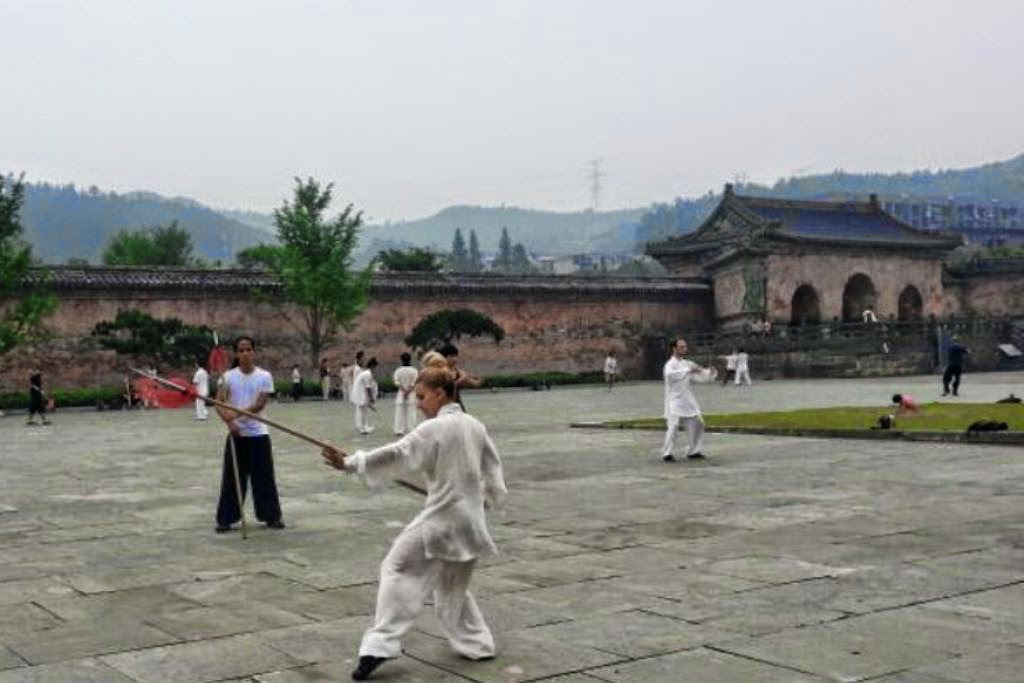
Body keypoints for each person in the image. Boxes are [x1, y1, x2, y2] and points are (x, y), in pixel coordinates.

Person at [320, 366, 507, 681]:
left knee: (396, 568)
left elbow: (398, 453)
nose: (418, 404)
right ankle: (478, 643)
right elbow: (493, 469)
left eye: (422, 397)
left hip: (443, 521)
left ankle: (378, 646)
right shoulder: (475, 425)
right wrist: (487, 497)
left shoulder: (434, 429)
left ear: (440, 393)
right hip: (470, 523)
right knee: (452, 586)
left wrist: (350, 463)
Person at [214, 336, 285, 533]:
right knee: (232, 479)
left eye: (248, 350)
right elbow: (218, 403)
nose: (245, 353)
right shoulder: (228, 377)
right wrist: (229, 422)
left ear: (253, 352)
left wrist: (235, 415)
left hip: (259, 435)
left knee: (264, 478)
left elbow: (260, 404)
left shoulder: (264, 376)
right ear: (236, 353)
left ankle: (271, 516)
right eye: (241, 350)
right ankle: (225, 518)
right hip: (236, 436)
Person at [662, 337, 716, 462]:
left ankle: (694, 450)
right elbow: (671, 375)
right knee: (673, 426)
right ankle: (667, 452)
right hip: (674, 400)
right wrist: (688, 370)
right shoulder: (670, 364)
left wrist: (710, 372)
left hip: (687, 399)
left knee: (699, 423)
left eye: (685, 347)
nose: (684, 349)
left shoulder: (687, 363)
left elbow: (699, 376)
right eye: (681, 347)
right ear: (674, 349)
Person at [439, 343, 483, 412]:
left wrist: (478, 378)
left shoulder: (458, 372)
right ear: (444, 357)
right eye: (452, 356)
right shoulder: (439, 372)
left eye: (456, 356)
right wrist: (458, 382)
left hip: (457, 406)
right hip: (444, 406)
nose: (454, 359)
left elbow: (475, 384)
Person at [393, 352, 418, 435]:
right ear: (410, 359)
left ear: (401, 360)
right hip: (411, 395)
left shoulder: (398, 371)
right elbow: (415, 383)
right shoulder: (414, 371)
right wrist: (408, 391)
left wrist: (404, 391)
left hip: (401, 394)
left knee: (400, 413)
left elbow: (397, 382)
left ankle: (399, 430)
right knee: (411, 413)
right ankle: (412, 429)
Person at [352, 357, 379, 435]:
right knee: (362, 411)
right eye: (375, 367)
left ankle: (364, 426)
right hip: (360, 394)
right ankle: (362, 428)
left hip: (360, 394)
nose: (376, 369)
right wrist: (371, 398)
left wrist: (370, 402)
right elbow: (368, 388)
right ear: (372, 366)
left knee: (363, 411)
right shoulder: (368, 374)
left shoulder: (366, 373)